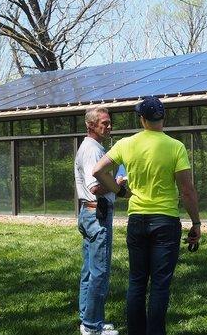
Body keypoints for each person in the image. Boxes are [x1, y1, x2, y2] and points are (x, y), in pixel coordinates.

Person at [93, 96, 201, 335]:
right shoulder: (175, 147)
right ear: (163, 117)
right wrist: (196, 223)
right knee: (160, 285)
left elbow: (98, 170)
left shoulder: (125, 144)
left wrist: (120, 191)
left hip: (137, 220)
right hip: (166, 221)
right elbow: (186, 190)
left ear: (142, 119)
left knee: (137, 282)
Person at [74, 107, 127, 335]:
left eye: (109, 122)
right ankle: (93, 326)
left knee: (89, 271)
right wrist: (118, 184)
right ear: (91, 126)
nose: (109, 126)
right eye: (104, 123)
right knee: (99, 272)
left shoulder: (93, 147)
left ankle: (88, 321)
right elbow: (94, 187)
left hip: (90, 213)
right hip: (97, 214)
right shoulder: (92, 150)